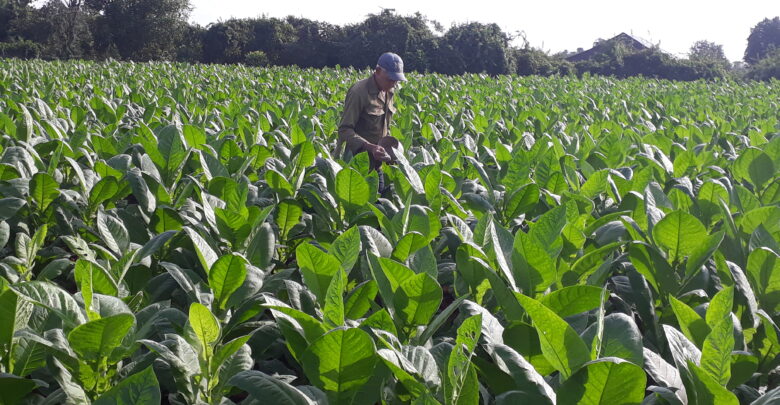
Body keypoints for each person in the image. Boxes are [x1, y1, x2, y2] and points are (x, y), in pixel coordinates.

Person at [336, 52, 406, 194]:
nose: (393, 84)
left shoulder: (389, 91)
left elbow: (383, 125)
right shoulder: (359, 92)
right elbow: (344, 130)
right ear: (378, 71)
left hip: (375, 164)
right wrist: (369, 147)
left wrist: (390, 148)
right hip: (354, 165)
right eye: (390, 79)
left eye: (396, 80)